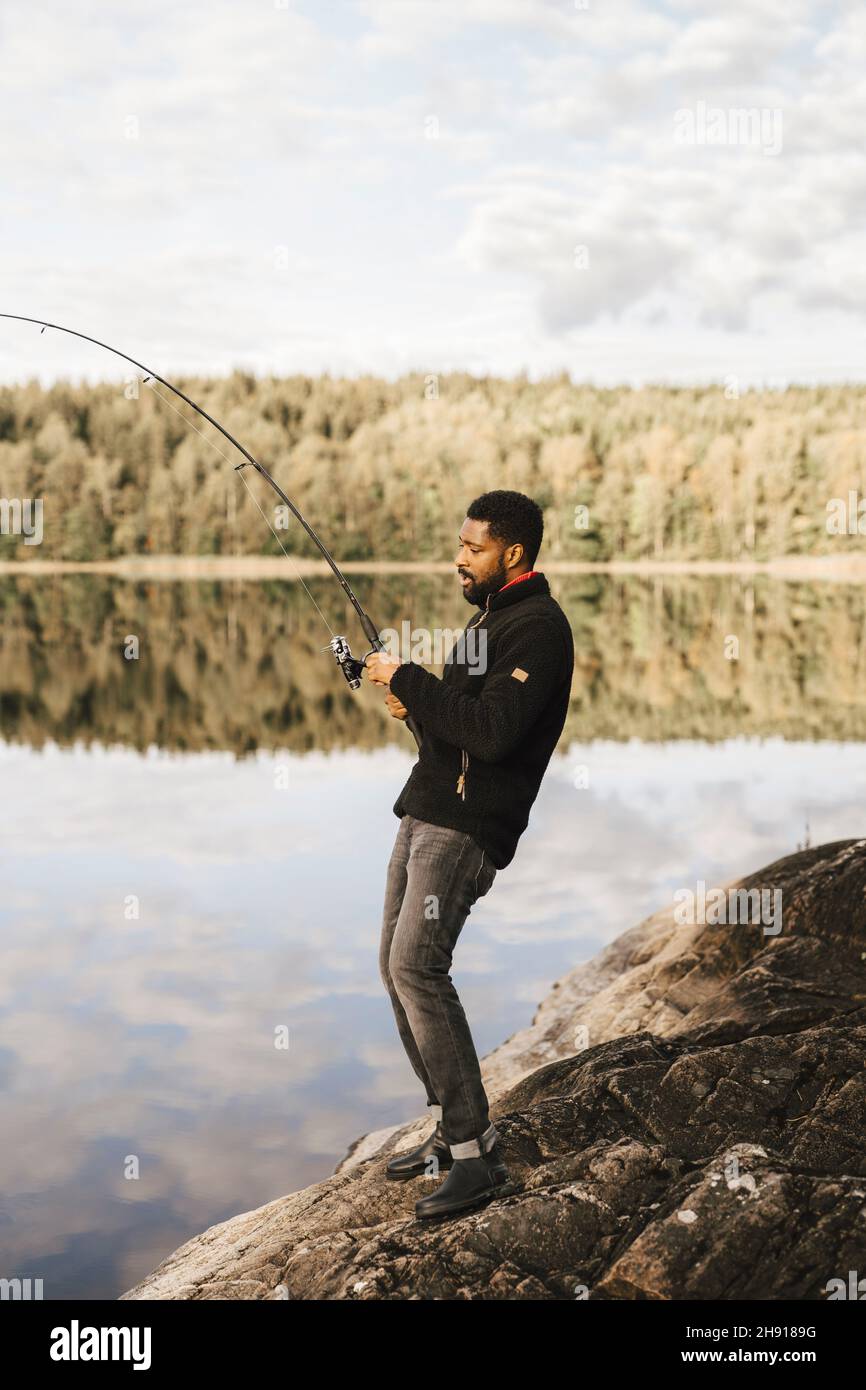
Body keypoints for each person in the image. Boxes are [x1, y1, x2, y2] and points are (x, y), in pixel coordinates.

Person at [365, 489, 574, 1220]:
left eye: (473, 547)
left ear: (512, 554)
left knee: (418, 966)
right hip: (425, 809)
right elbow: (453, 736)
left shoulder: (539, 631)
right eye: (459, 544)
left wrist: (409, 678)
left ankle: (475, 1157)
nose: (459, 557)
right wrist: (412, 705)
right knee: (395, 968)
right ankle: (449, 1131)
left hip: (467, 828)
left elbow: (492, 736)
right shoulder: (487, 623)